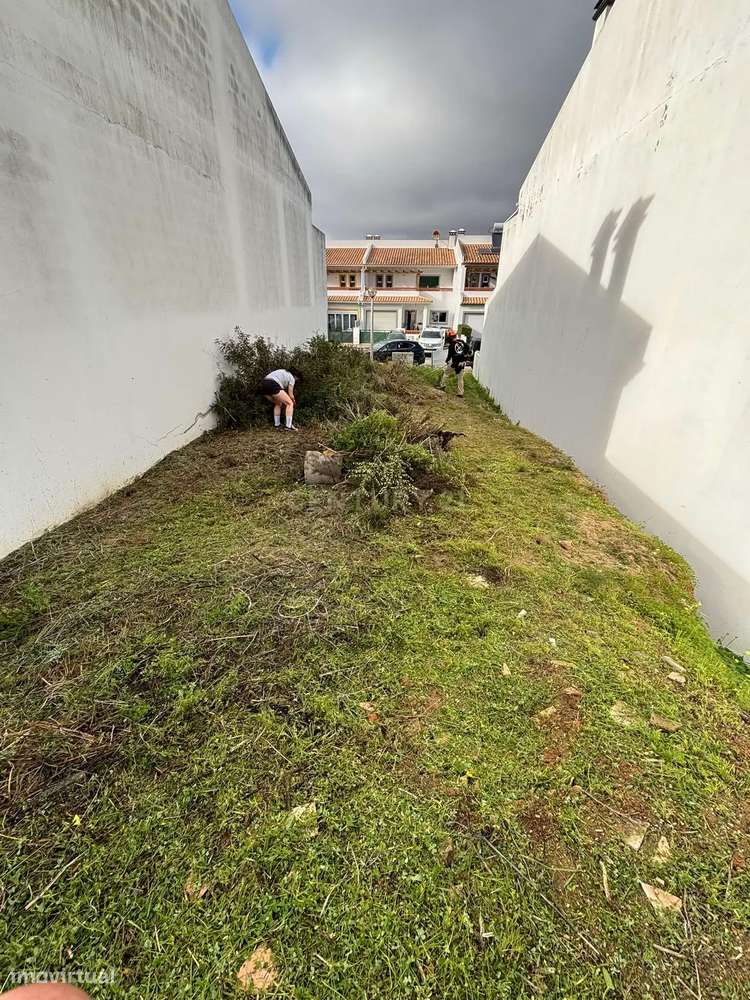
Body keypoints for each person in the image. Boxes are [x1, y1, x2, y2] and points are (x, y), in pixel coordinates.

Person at [437, 330, 469, 398]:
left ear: (450, 337)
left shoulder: (451, 345)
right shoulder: (462, 342)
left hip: (455, 363)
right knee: (460, 378)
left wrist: (447, 361)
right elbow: (468, 347)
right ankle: (460, 393)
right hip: (462, 363)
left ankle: (442, 386)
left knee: (446, 373)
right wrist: (465, 355)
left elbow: (449, 355)